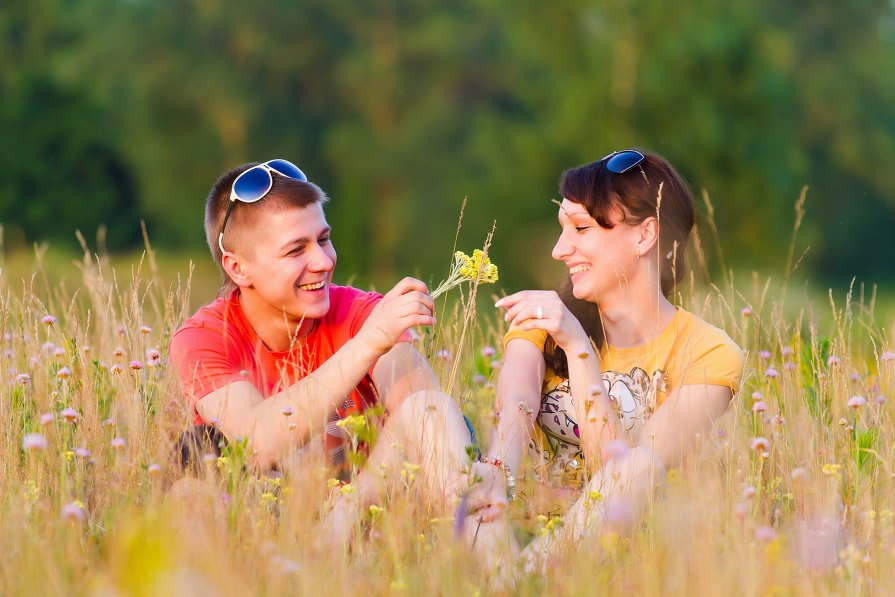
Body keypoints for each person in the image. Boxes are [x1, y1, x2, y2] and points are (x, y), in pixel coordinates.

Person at [464, 149, 745, 569]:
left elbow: (618, 479)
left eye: (580, 228)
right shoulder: (542, 323)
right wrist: (496, 474)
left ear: (644, 235)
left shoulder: (709, 353)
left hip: (622, 559)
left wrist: (579, 351)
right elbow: (514, 415)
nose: (560, 249)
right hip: (511, 539)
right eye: (562, 229)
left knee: (636, 467)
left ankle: (528, 581)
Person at [168, 159, 474, 541]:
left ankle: (487, 561)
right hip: (265, 530)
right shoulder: (206, 337)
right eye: (296, 250)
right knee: (188, 495)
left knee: (432, 409)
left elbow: (424, 418)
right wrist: (368, 344)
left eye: (324, 239)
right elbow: (254, 446)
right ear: (238, 268)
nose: (324, 261)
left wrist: (345, 512)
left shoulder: (363, 313)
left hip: (366, 518)